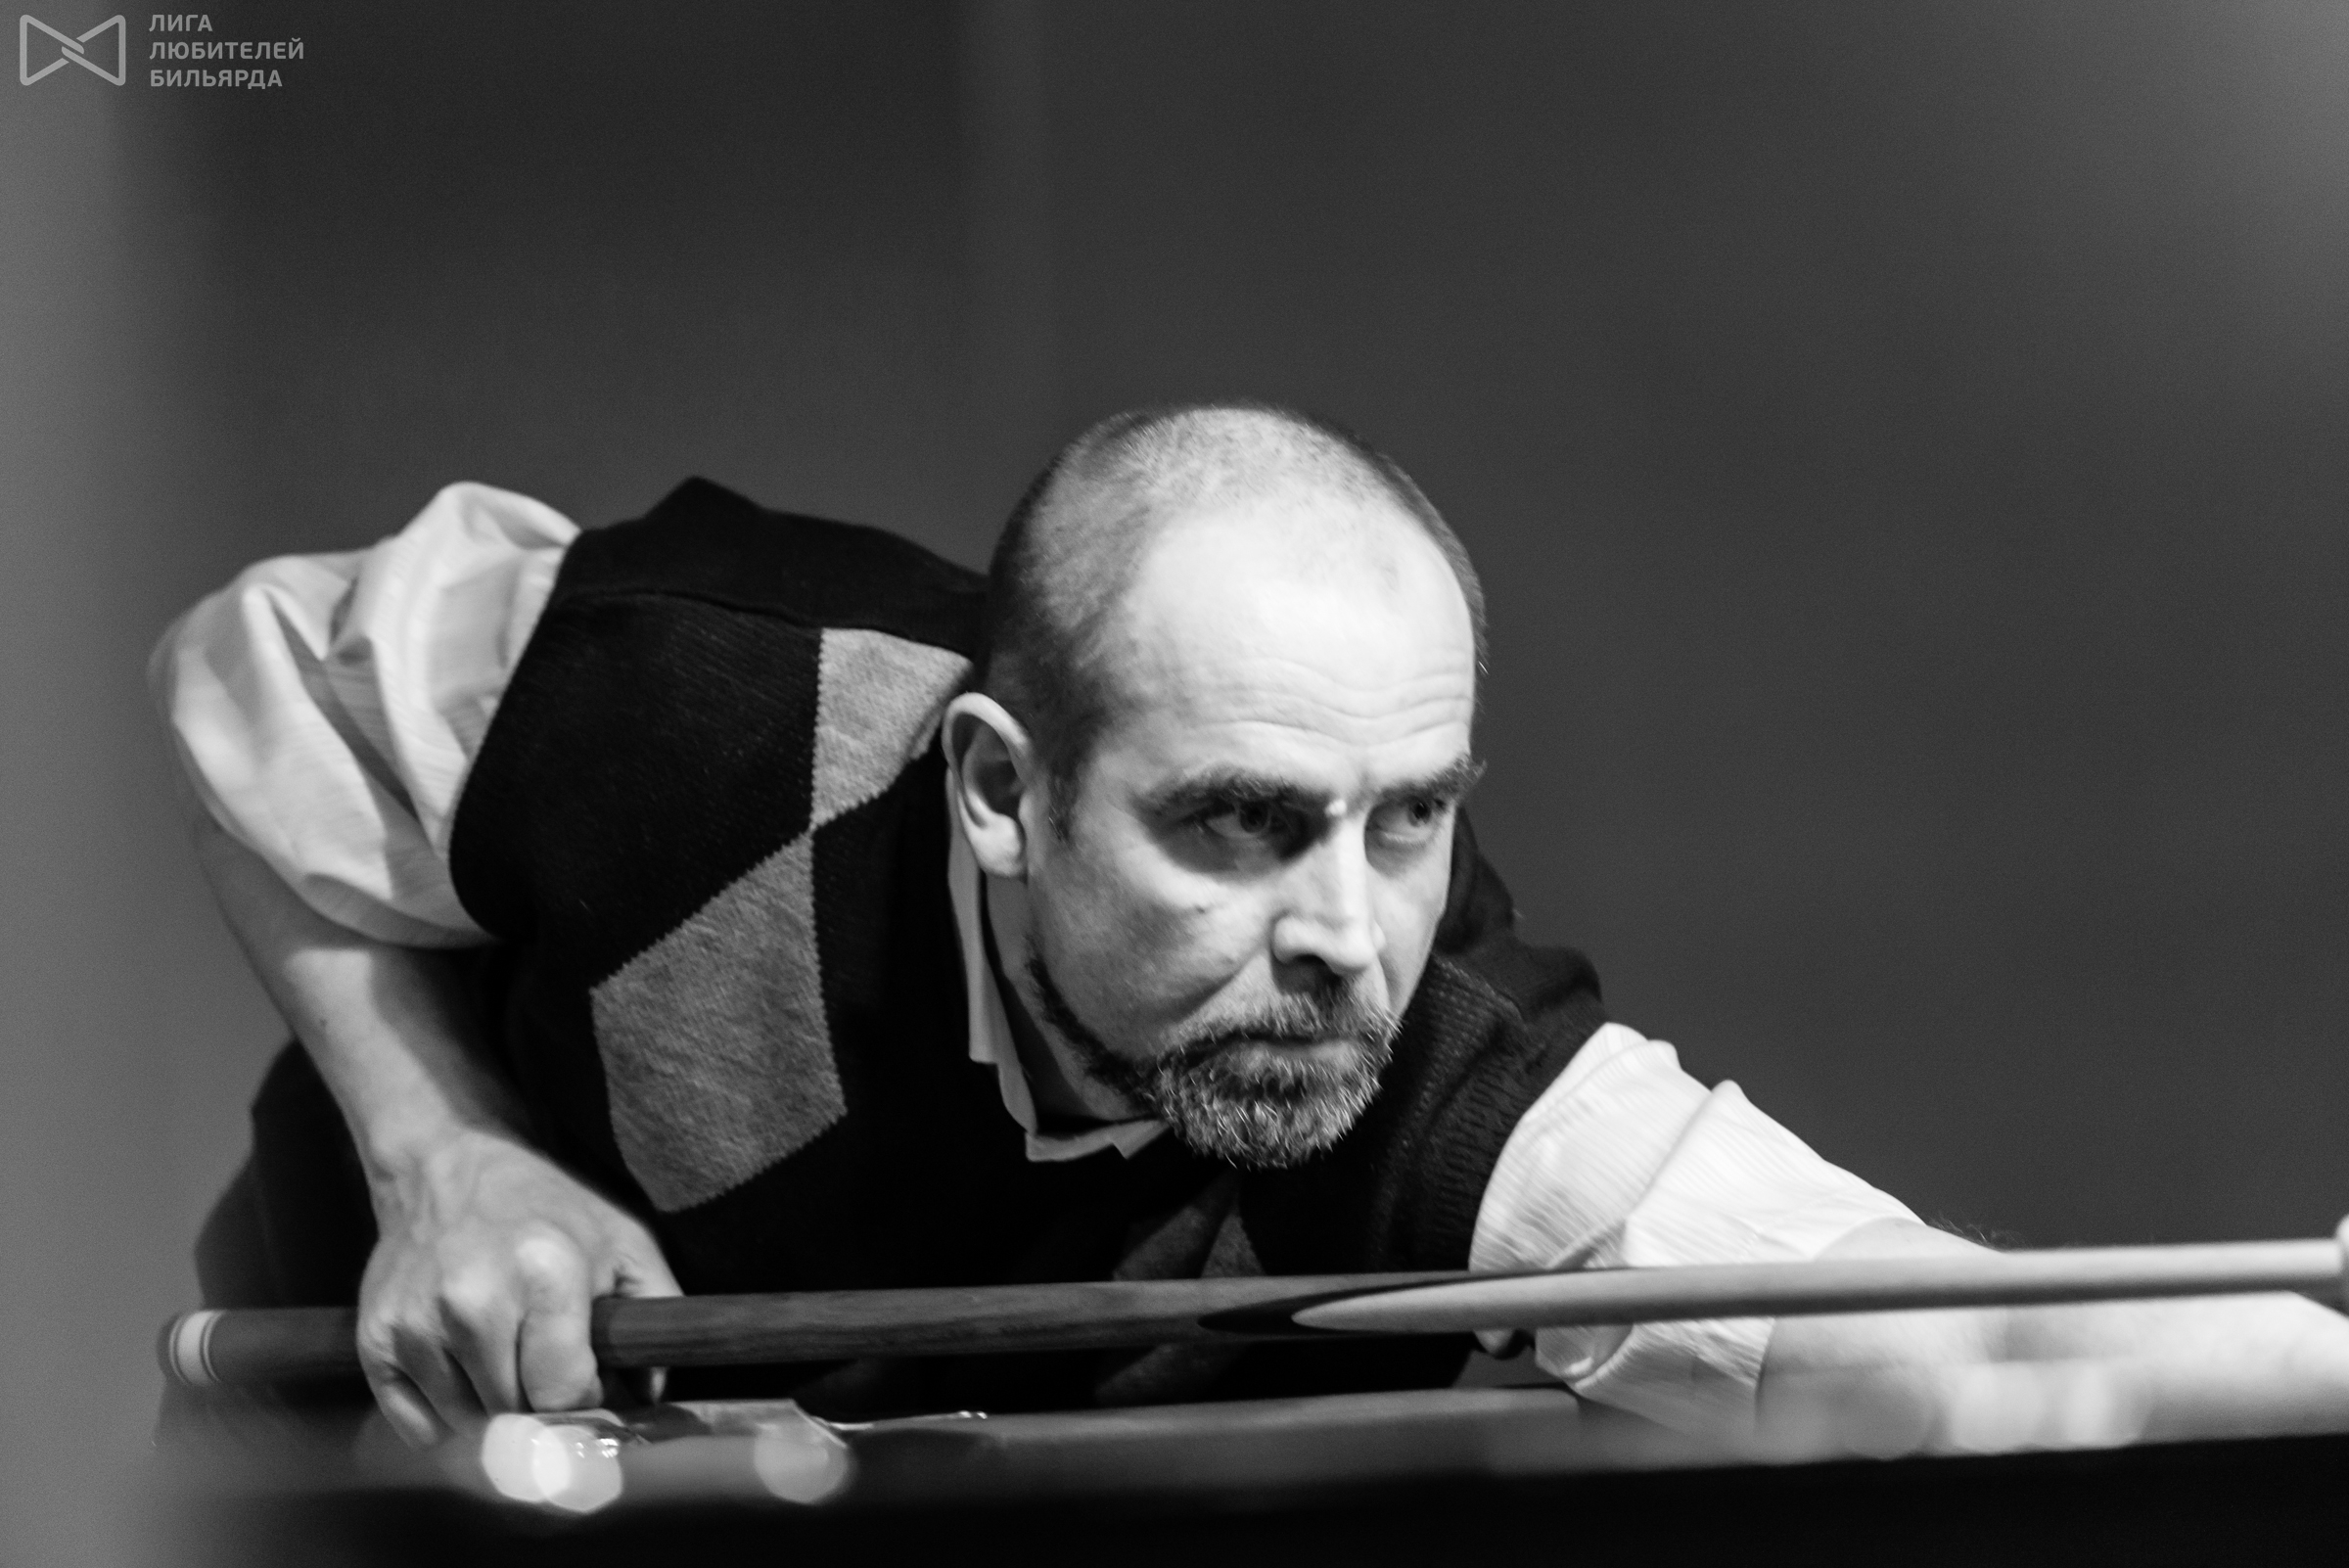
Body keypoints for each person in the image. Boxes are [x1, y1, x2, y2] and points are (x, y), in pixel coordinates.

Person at [155, 402, 2349, 1449]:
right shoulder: (700, 703)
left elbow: (1985, 1344)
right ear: (1002, 791)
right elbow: (247, 682)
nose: (1345, 936)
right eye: (1241, 823)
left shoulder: (1424, 1052)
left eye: (1412, 819)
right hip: (335, 1440)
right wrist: (444, 1157)